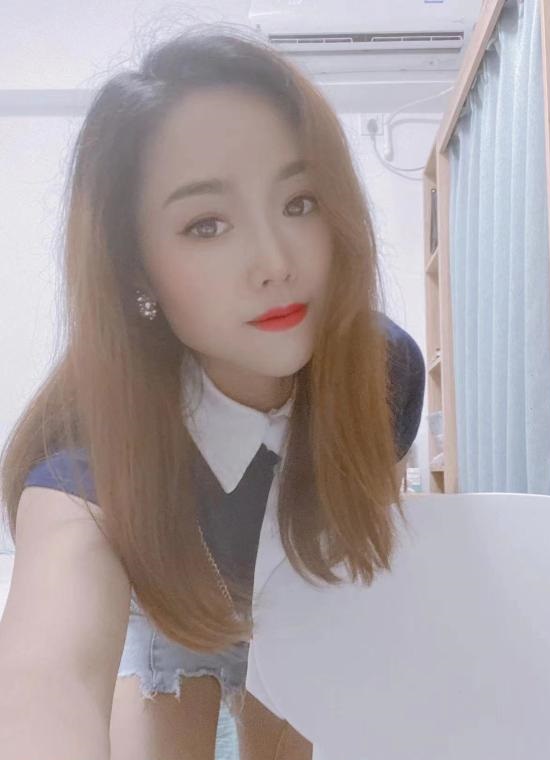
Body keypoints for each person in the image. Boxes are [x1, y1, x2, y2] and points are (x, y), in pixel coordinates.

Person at [0, 23, 425, 760]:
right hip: (171, 602)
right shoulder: (87, 453)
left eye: (300, 202)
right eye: (206, 225)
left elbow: (373, 529)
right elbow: (47, 678)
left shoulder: (382, 367)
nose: (274, 262)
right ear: (135, 268)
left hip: (305, 596)